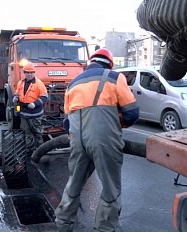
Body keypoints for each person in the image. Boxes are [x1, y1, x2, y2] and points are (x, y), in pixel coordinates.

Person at [54, 48, 139, 232]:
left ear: (90, 62)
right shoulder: (114, 77)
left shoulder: (73, 83)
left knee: (74, 182)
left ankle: (62, 223)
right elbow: (131, 113)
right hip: (104, 140)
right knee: (110, 186)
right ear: (109, 63)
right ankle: (104, 228)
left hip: (77, 140)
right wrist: (115, 123)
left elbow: (67, 122)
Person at [12, 62, 48, 152]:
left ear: (34, 73)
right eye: (27, 72)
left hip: (35, 114)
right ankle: (29, 150)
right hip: (24, 114)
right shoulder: (20, 83)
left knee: (37, 133)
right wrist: (15, 98)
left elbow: (44, 97)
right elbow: (17, 94)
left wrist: (35, 104)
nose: (29, 74)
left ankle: (40, 151)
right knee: (26, 133)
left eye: (31, 72)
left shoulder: (39, 83)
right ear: (24, 73)